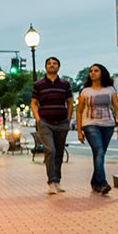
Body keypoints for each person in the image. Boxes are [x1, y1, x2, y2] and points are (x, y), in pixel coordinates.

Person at [76, 63, 118, 195]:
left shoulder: (110, 90)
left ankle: (95, 182)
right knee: (99, 151)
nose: (93, 73)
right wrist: (79, 131)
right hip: (90, 124)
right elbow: (79, 112)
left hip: (108, 125)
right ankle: (102, 183)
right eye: (91, 71)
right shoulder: (85, 92)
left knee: (100, 154)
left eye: (96, 70)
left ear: (102, 73)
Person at [31, 57, 73, 194]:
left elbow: (70, 102)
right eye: (49, 63)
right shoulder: (39, 84)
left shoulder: (65, 84)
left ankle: (58, 180)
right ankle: (51, 181)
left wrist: (68, 119)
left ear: (58, 67)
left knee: (59, 153)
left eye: (54, 63)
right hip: (46, 122)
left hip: (62, 123)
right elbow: (33, 103)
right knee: (51, 150)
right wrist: (38, 119)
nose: (52, 65)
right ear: (45, 67)